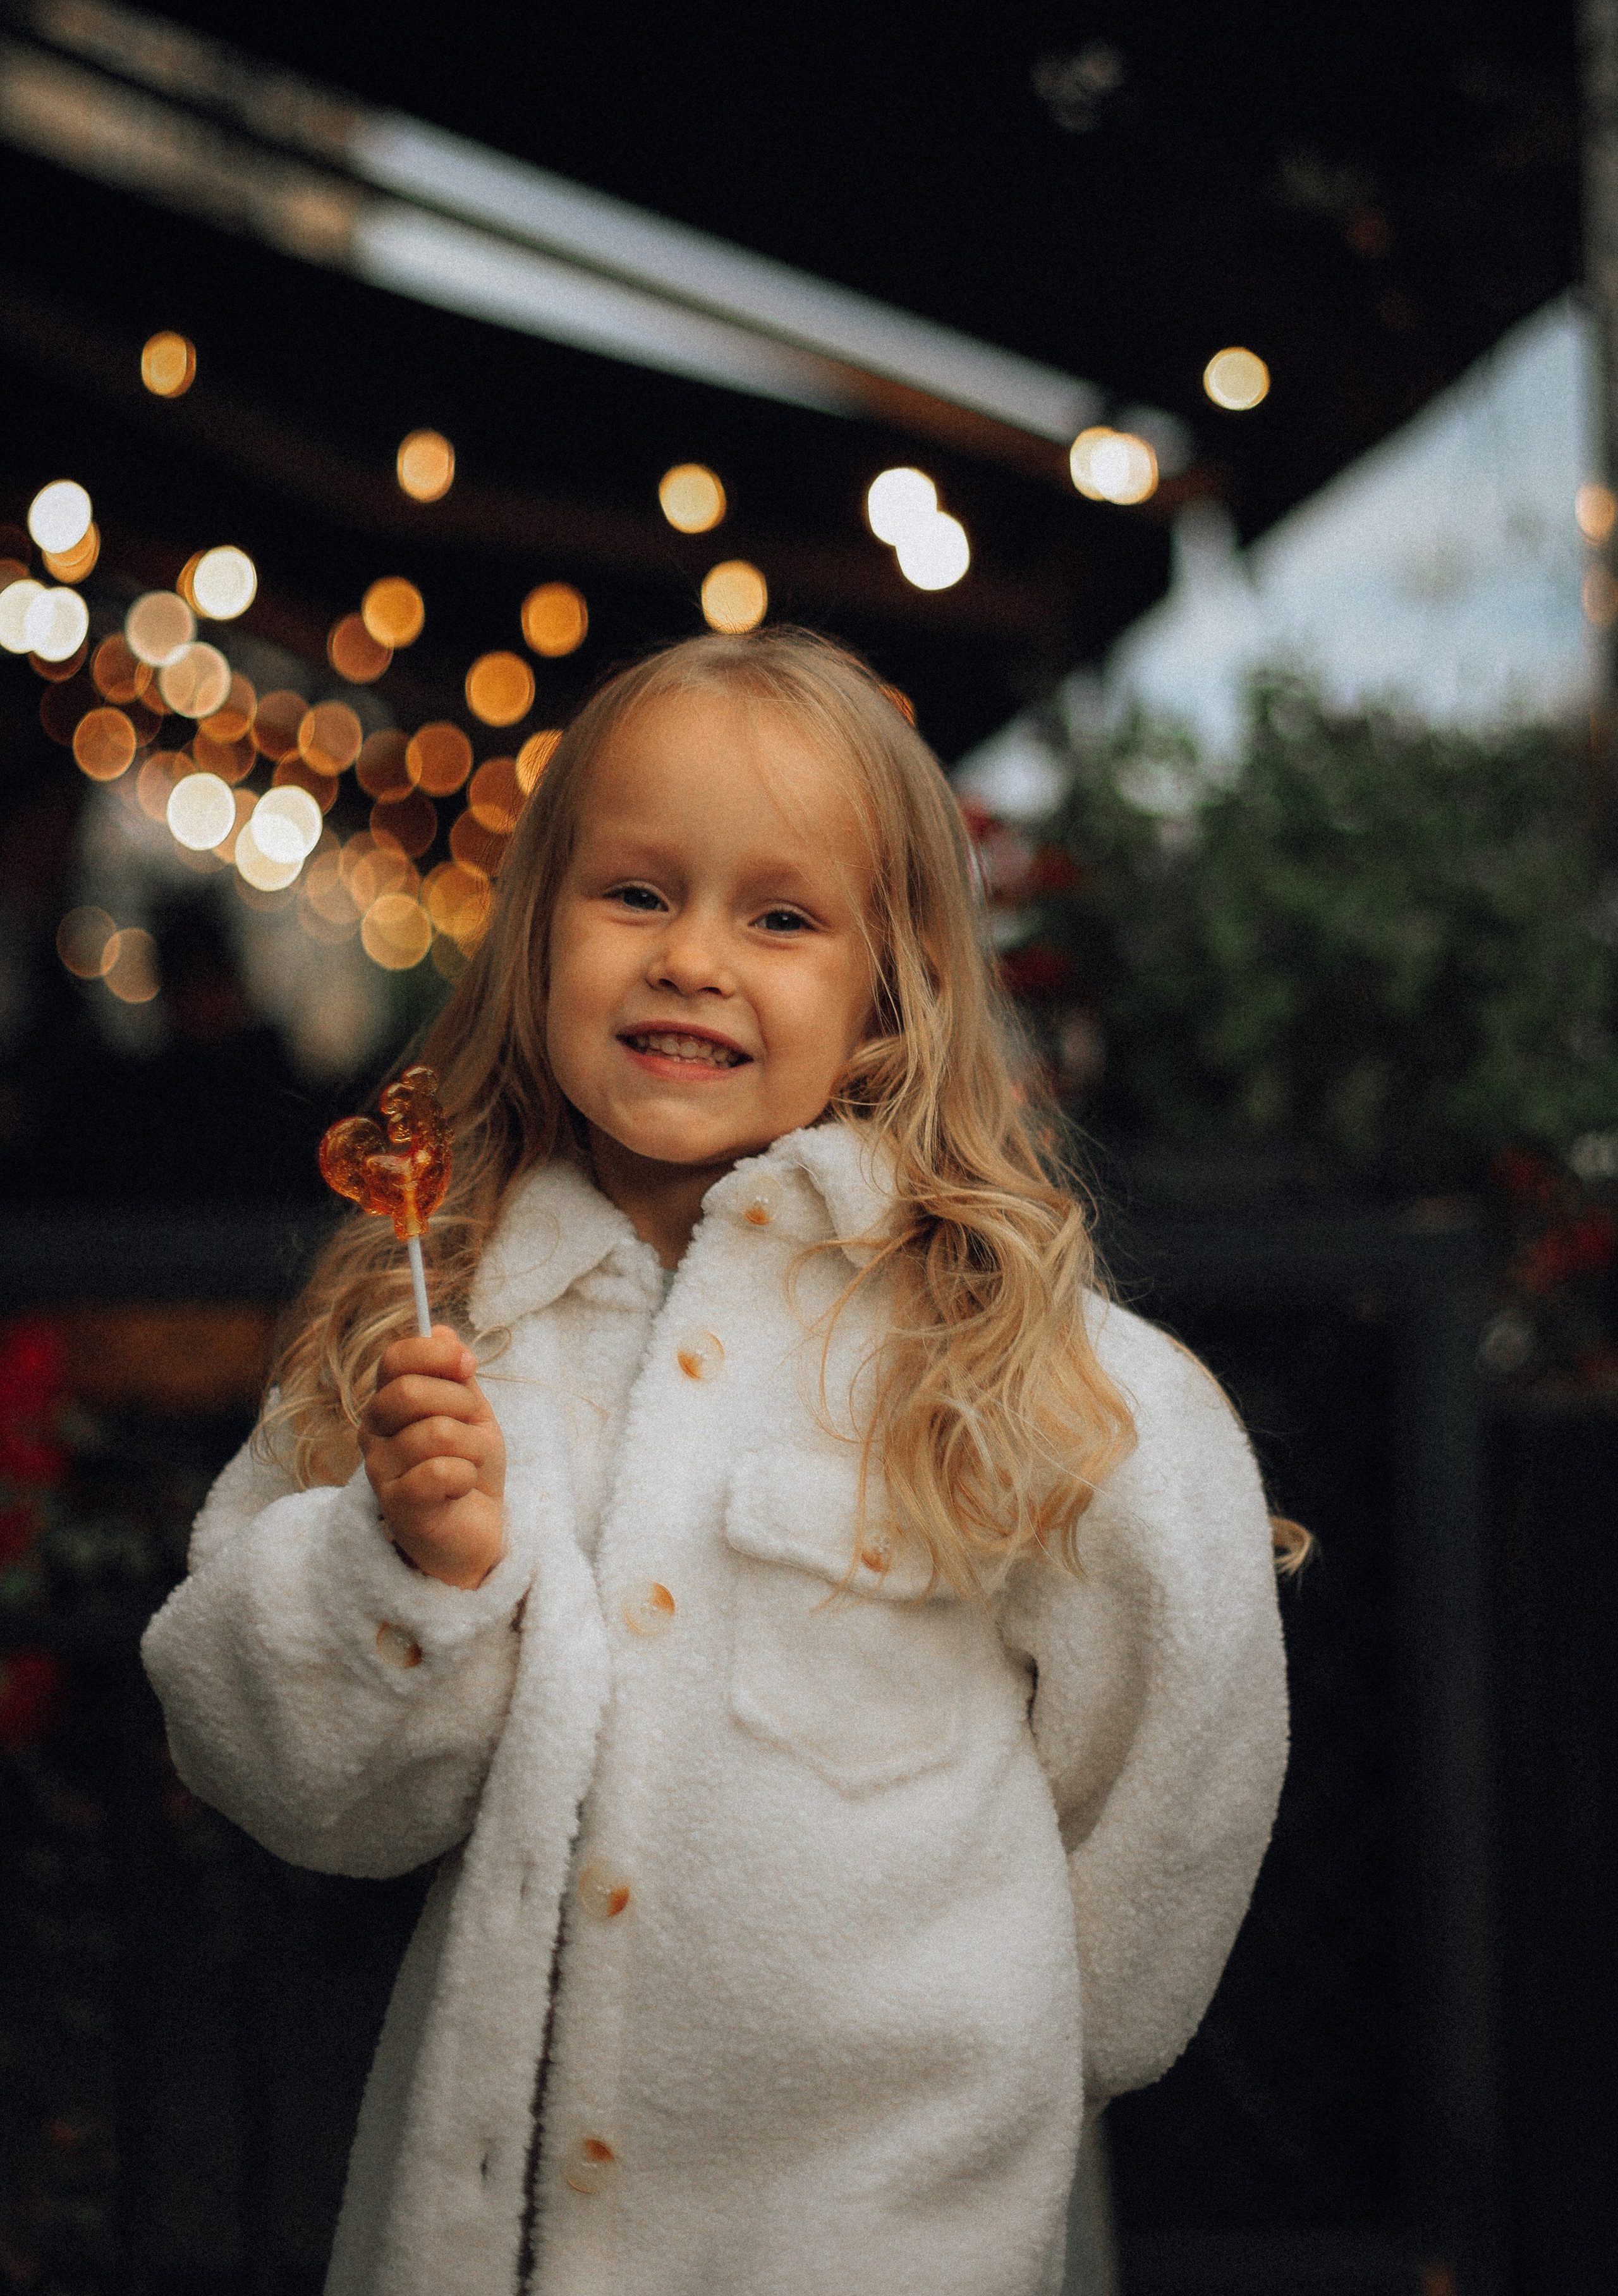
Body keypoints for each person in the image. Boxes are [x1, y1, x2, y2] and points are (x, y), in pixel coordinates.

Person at [142, 628, 1294, 2296]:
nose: (693, 959)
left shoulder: (1024, 1368)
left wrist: (1049, 2054)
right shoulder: (440, 1334)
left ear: (890, 980)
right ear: (537, 931)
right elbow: (283, 1781)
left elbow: (1169, 1746)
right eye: (635, 895)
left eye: (779, 916)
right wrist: (416, 1571)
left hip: (896, 2241)